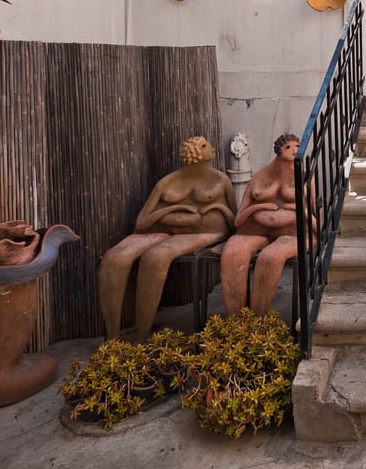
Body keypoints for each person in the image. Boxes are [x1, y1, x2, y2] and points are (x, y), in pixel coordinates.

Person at [98, 136, 235, 340]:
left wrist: (217, 208)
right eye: (205, 145)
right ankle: (111, 337)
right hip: (157, 229)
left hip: (201, 232)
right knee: (114, 258)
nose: (211, 148)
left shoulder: (220, 180)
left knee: (156, 257)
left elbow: (234, 221)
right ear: (197, 153)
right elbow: (142, 223)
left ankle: (142, 336)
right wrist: (177, 208)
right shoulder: (168, 181)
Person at [220, 133, 306, 315]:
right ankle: (237, 325)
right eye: (288, 147)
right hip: (253, 229)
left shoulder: (305, 179)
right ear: (279, 151)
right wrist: (261, 207)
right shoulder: (260, 177)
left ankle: (258, 321)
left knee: (271, 257)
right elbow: (238, 220)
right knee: (233, 254)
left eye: (297, 146)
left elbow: (315, 215)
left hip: (290, 232)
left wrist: (299, 211)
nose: (295, 151)